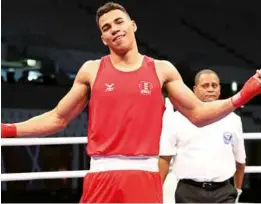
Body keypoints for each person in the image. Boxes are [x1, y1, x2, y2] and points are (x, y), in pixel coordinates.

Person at [1, 2, 260, 203]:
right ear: (103, 39)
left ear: (133, 25)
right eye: (106, 28)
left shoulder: (161, 70)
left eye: (118, 22)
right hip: (101, 175)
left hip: (144, 175)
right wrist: (7, 129)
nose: (114, 29)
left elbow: (199, 113)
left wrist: (242, 95)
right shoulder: (91, 70)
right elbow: (58, 118)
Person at [159, 69, 246, 203]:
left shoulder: (233, 119)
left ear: (219, 89)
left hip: (224, 191)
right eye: (205, 85)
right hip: (188, 192)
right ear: (195, 89)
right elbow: (165, 157)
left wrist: (238, 190)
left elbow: (240, 160)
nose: (210, 89)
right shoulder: (176, 119)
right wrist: (156, 191)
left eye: (214, 85)